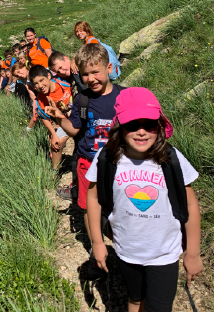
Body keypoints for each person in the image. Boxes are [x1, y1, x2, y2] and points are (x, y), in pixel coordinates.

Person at [86, 87, 202, 311]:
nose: (141, 132)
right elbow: (93, 197)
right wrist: (97, 242)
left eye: (149, 125)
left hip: (164, 253)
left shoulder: (171, 159)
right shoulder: (107, 159)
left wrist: (193, 253)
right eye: (132, 125)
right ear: (120, 127)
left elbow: (190, 204)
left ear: (159, 126)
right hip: (126, 249)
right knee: (135, 298)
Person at [44, 44, 124, 278]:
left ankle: (123, 245)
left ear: (109, 68)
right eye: (85, 74)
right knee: (90, 208)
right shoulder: (82, 99)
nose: (91, 78)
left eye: (95, 71)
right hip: (88, 163)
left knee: (118, 205)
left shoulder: (124, 96)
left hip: (118, 163)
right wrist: (59, 117)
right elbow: (75, 130)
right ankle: (95, 249)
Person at [29, 64, 73, 172]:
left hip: (77, 114)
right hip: (65, 121)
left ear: (48, 76)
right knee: (56, 144)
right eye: (36, 83)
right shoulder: (41, 98)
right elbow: (44, 118)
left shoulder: (62, 84)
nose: (40, 85)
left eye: (41, 80)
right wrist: (54, 135)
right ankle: (55, 172)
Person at [11, 62, 36, 133]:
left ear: (24, 66)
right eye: (17, 75)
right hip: (38, 94)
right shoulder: (23, 79)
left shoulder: (33, 73)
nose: (19, 75)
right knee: (37, 112)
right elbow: (30, 91)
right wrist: (35, 101)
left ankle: (26, 132)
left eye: (19, 71)